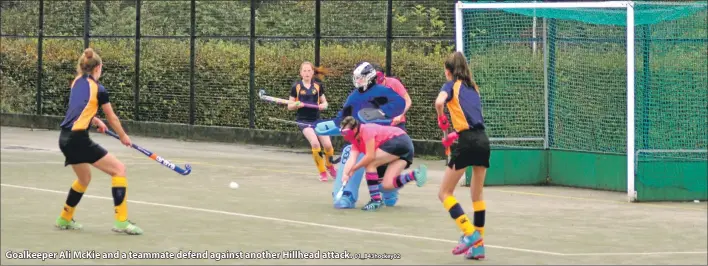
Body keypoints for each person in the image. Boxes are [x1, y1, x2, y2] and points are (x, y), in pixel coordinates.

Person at [55, 48, 143, 235]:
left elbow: (80, 108)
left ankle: (64, 218)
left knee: (84, 179)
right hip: (78, 139)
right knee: (119, 170)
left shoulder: (76, 82)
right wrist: (123, 136)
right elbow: (112, 118)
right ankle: (121, 221)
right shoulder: (100, 90)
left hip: (64, 138)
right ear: (99, 68)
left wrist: (95, 120)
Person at [313, 61, 407, 209]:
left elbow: (400, 104)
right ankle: (347, 194)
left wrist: (380, 113)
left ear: (369, 77)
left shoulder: (383, 92)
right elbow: (343, 117)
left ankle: (389, 192)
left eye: (360, 78)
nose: (357, 81)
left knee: (383, 181)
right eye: (356, 77)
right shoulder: (354, 97)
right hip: (363, 139)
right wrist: (330, 125)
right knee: (349, 153)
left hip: (384, 140)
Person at [434, 51, 489, 260]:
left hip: (467, 143)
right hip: (483, 141)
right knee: (477, 196)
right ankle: (479, 247)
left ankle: (470, 233)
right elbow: (471, 118)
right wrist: (453, 134)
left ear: (448, 71)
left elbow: (440, 103)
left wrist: (441, 119)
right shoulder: (473, 88)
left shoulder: (450, 86)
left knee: (444, 193)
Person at [338, 116, 427, 211]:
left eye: (346, 132)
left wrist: (354, 169)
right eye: (342, 132)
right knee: (387, 185)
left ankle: (375, 200)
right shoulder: (355, 142)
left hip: (399, 140)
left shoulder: (366, 130)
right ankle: (414, 175)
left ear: (355, 129)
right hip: (405, 149)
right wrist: (345, 174)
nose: (344, 135)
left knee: (370, 164)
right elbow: (351, 159)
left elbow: (370, 156)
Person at [288, 62, 336, 182]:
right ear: (300, 73)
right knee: (315, 143)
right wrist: (296, 105)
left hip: (317, 120)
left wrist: (323, 106)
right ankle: (322, 172)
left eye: (309, 71)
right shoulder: (296, 87)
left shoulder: (318, 86)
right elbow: (290, 106)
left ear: (313, 72)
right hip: (303, 121)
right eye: (304, 71)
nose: (307, 73)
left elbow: (325, 102)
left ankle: (329, 165)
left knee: (328, 145)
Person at [372, 64, 412, 131]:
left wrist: (400, 115)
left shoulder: (394, 83)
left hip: (397, 124)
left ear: (384, 75)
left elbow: (408, 101)